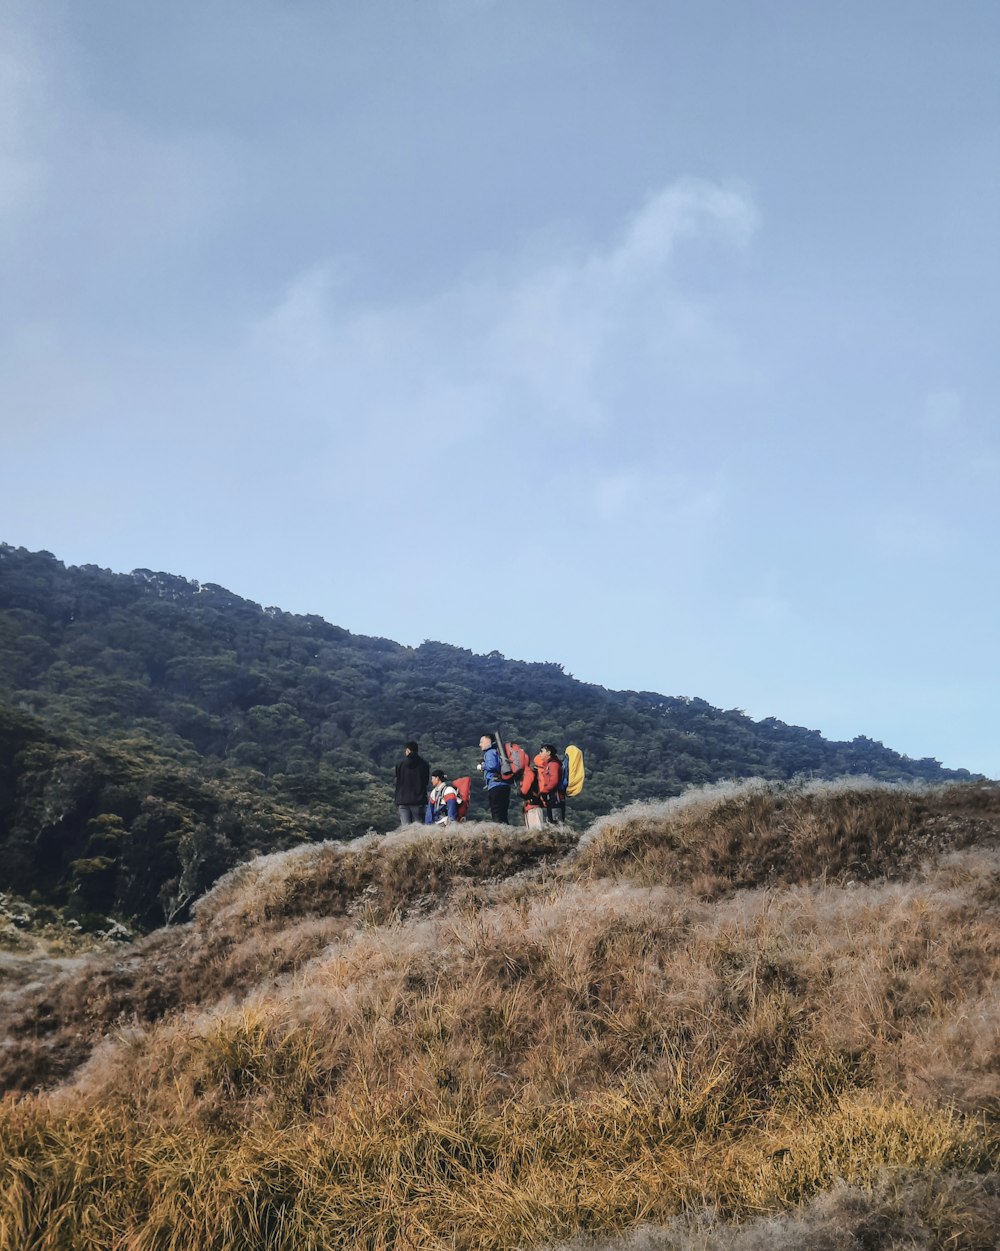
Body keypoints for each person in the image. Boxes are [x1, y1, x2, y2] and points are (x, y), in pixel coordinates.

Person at [394, 740, 430, 826]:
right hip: (418, 801)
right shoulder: (424, 764)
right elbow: (425, 782)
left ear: (408, 750)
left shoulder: (400, 764)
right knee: (420, 827)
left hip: (402, 800)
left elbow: (397, 780)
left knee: (406, 829)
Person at [478, 733, 511, 824]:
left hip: (496, 785)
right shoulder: (497, 752)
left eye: (481, 742)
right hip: (504, 784)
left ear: (488, 741)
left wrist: (483, 766)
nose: (480, 744)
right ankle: (506, 831)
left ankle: (500, 833)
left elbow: (492, 766)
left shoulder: (490, 752)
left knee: (496, 812)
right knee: (503, 813)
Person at [534, 744, 565, 823]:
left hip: (555, 798)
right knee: (553, 822)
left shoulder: (553, 764)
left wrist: (544, 791)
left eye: (541, 751)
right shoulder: (549, 765)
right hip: (552, 798)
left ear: (548, 752)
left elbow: (554, 781)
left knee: (556, 823)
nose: (539, 753)